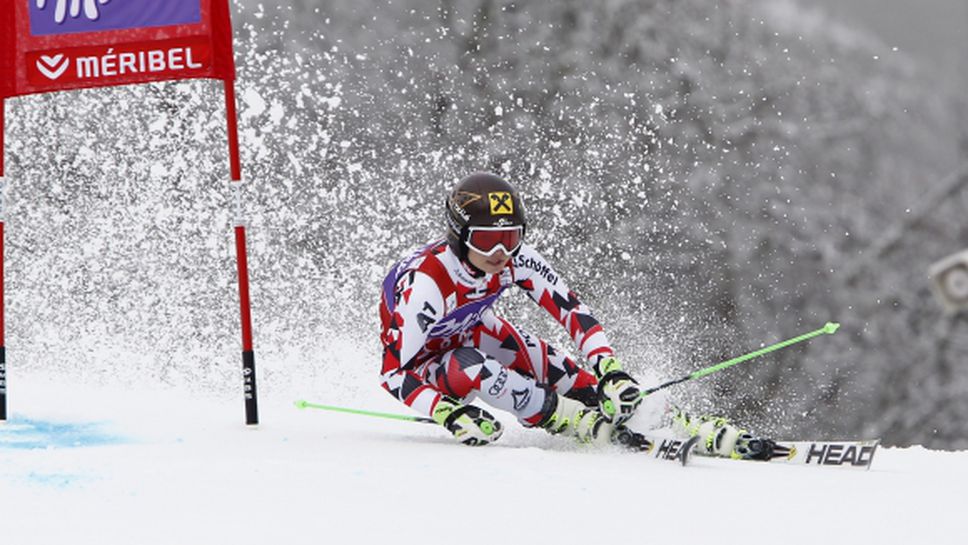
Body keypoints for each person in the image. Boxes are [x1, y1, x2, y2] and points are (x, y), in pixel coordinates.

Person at [379, 172, 774, 458]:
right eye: (486, 240)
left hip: (470, 328)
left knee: (550, 363)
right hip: (428, 362)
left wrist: (610, 371)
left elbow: (573, 313)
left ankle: (662, 417)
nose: (500, 252)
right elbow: (393, 373)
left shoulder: (516, 260)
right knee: (477, 367)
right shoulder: (428, 284)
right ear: (459, 236)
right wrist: (445, 411)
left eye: (511, 237)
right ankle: (566, 418)